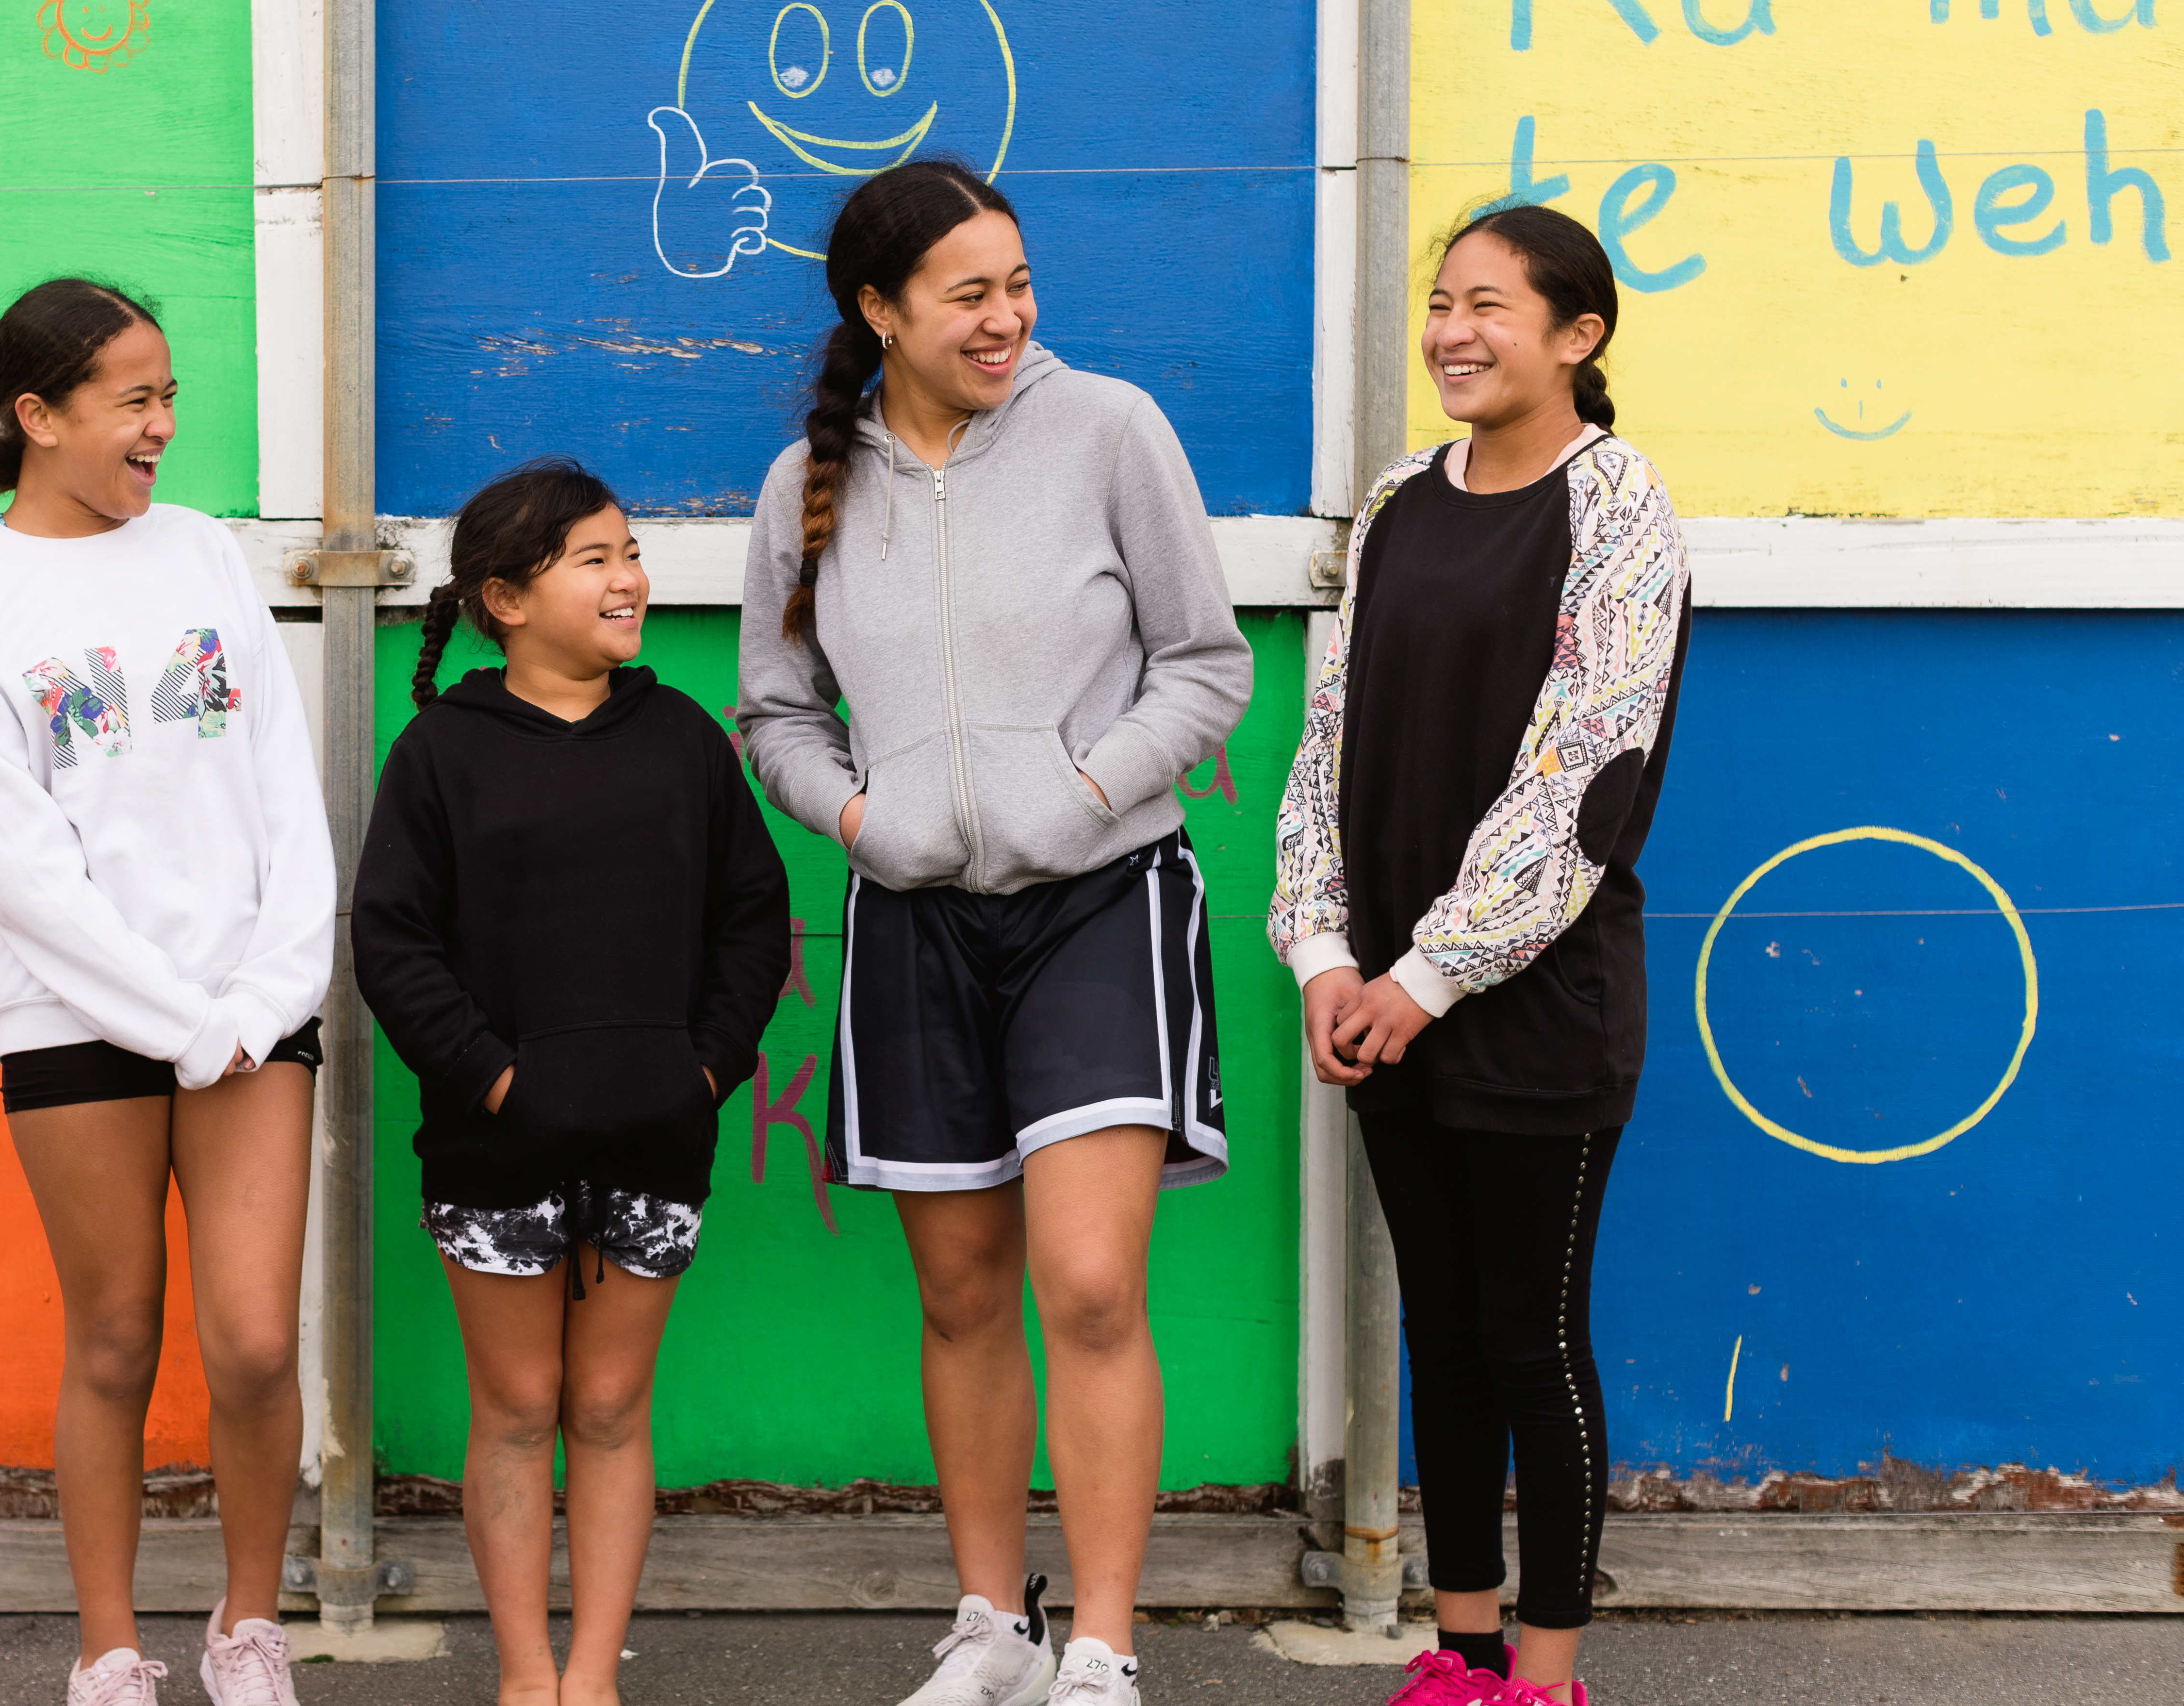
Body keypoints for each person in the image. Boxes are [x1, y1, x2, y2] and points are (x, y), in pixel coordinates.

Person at [738, 163, 1253, 1706]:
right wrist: (853, 819)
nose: (1006, 317)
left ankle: (1099, 1643)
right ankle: (989, 1628)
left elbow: (1204, 665)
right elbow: (772, 711)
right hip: (911, 922)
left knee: (1085, 1281)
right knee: (960, 1291)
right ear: (876, 310)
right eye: (968, 293)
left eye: (1016, 282)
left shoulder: (1109, 430)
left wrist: (1082, 788)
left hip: (1099, 896)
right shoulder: (803, 485)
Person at [1270, 204, 1691, 1706]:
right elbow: (1330, 739)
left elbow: (1584, 775)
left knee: (1529, 1340)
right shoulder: (1399, 499)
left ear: (1575, 337)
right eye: (1438, 298)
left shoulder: (1617, 503)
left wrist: (1428, 971)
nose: (1450, 329)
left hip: (1534, 1005)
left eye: (1488, 305)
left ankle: (1546, 1673)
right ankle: (1455, 1649)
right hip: (1379, 1006)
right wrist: (1323, 950)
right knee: (1439, 1338)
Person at [0, 278, 333, 1706]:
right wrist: (173, 1015)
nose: (161, 427)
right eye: (131, 400)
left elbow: (282, 777)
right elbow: (8, 848)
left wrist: (266, 989)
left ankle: (247, 1624)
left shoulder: (202, 552)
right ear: (37, 416)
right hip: (78, 1014)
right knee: (112, 1332)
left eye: (168, 397)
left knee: (257, 1338)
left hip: (252, 1014)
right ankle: (108, 1645)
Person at [353, 457, 792, 1706]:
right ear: (503, 596)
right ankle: (525, 1676)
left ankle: (591, 1677)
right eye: (593, 559)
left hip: (657, 1146)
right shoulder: (441, 753)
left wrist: (702, 1071)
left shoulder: (682, 740)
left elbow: (753, 925)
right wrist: (495, 1085)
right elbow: (393, 941)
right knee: (516, 1406)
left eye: (630, 553)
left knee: (607, 1405)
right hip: (497, 1153)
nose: (629, 580)